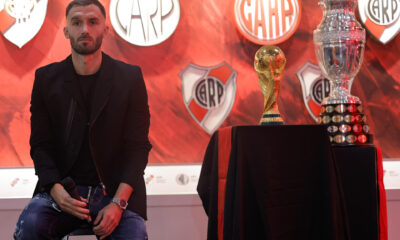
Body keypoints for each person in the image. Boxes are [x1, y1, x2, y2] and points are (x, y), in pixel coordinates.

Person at [13, 0, 151, 239]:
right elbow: (40, 146)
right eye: (76, 22)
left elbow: (137, 149)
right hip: (62, 193)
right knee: (31, 226)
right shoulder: (46, 79)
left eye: (93, 22)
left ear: (105, 29)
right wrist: (56, 191)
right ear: (66, 30)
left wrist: (118, 204)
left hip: (113, 194)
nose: (85, 29)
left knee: (134, 233)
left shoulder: (130, 78)